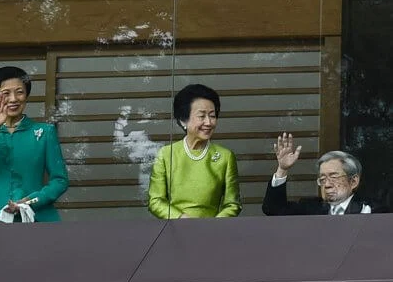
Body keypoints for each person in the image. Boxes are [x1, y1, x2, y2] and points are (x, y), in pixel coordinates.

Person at [0, 66, 69, 223]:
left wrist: (32, 200)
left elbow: (60, 180)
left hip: (36, 216)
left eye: (19, 92)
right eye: (5, 93)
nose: (13, 99)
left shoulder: (44, 132)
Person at [148, 84, 241, 219]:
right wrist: (181, 218)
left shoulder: (225, 156)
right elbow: (155, 201)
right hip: (175, 230)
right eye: (201, 116)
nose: (208, 122)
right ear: (183, 120)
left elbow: (233, 204)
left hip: (213, 232)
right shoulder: (166, 154)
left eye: (212, 115)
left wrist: (212, 226)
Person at [262, 132, 386, 215]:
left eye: (333, 176)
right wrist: (282, 169)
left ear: (353, 181)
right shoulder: (310, 209)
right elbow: (273, 209)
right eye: (322, 179)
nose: (327, 185)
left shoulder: (372, 210)